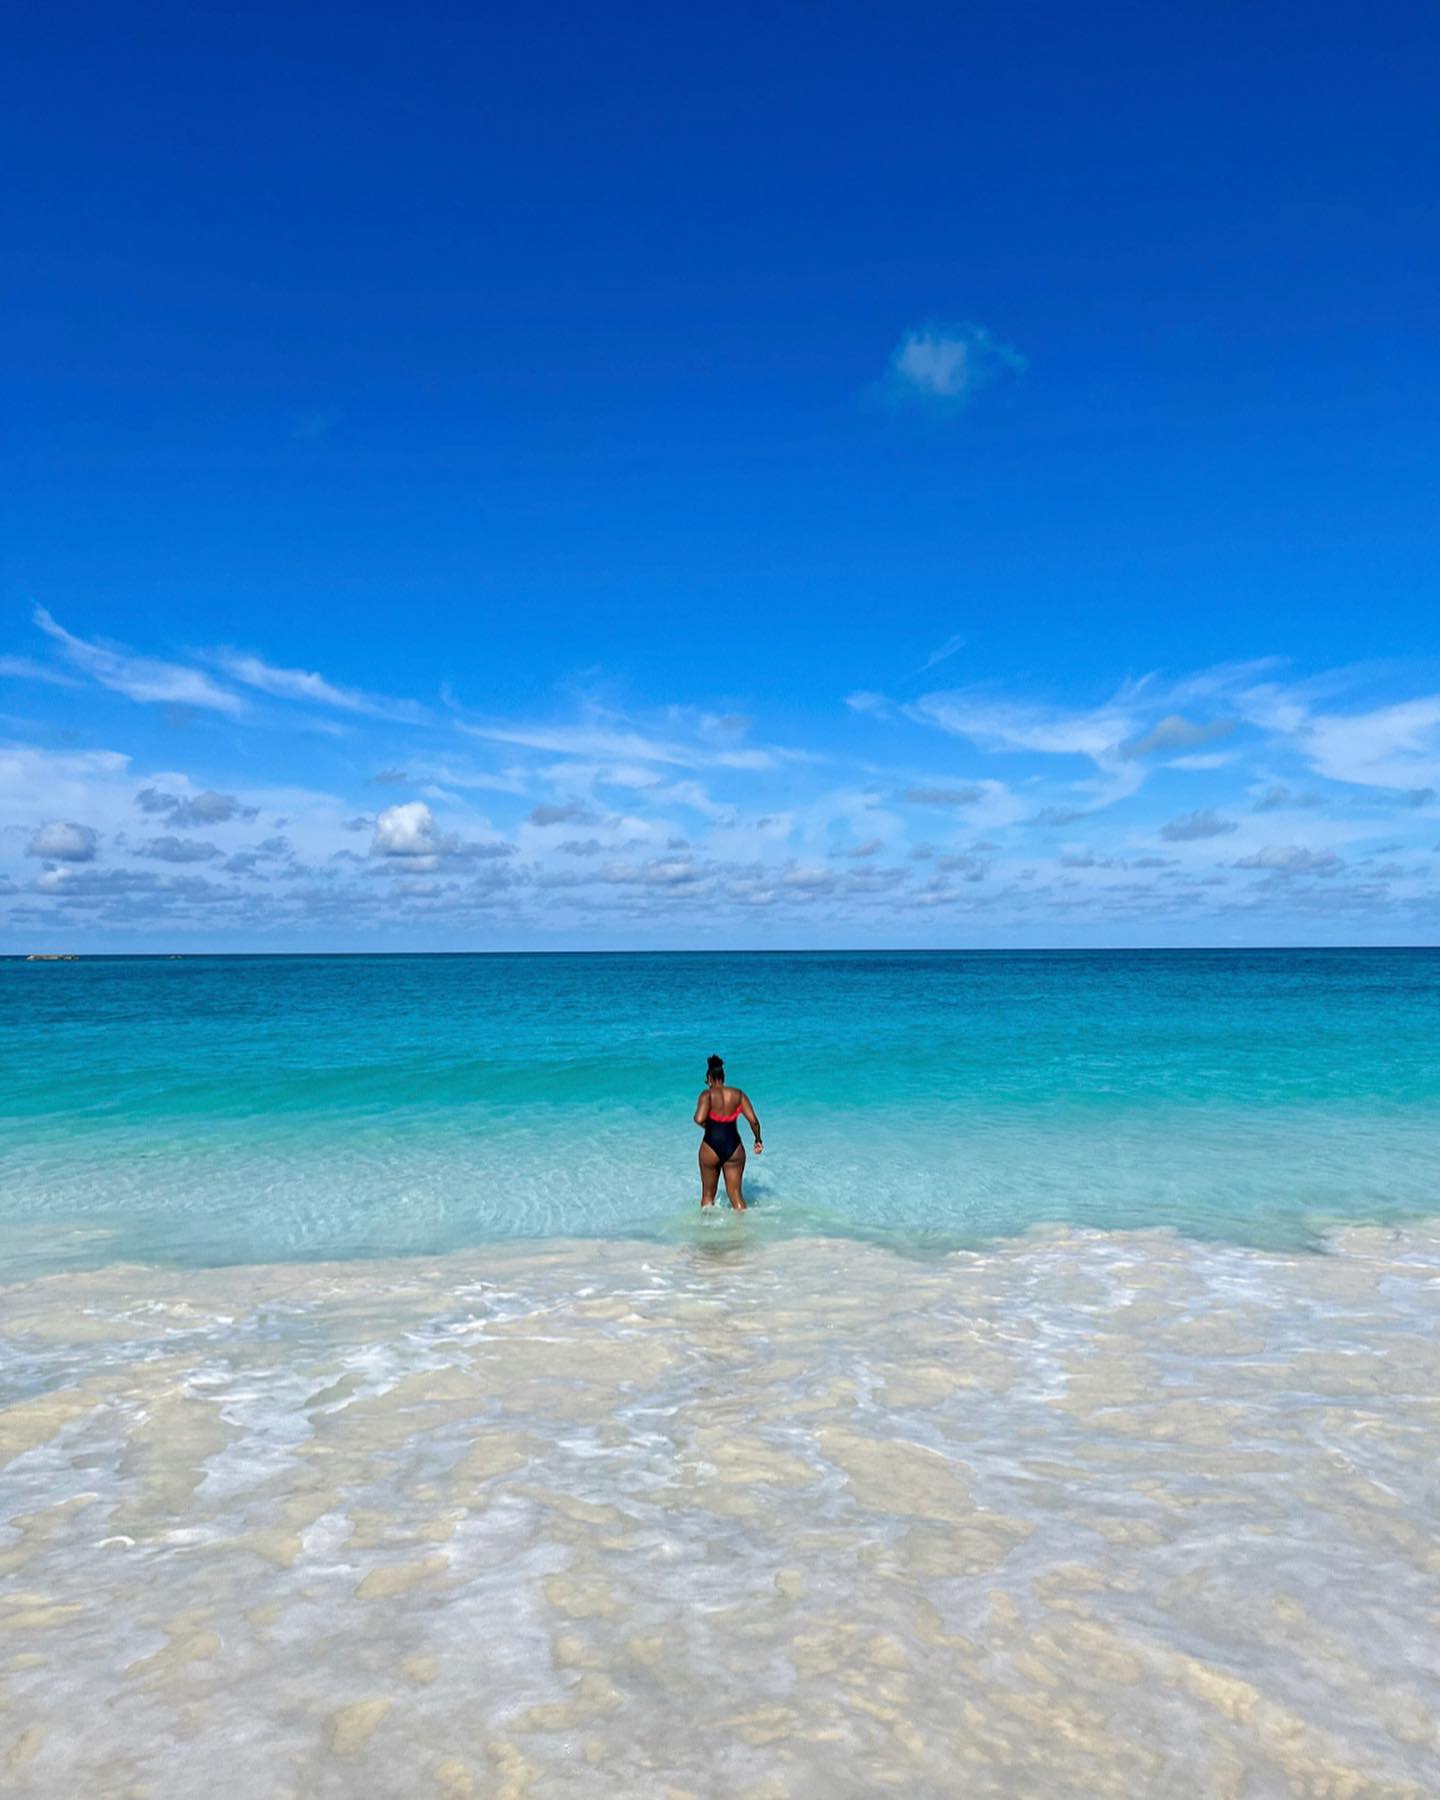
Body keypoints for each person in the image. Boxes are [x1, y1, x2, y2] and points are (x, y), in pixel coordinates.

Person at [693, 1053, 762, 1209]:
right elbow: (754, 1121)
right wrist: (758, 1140)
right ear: (723, 1077)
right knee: (736, 1196)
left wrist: (711, 1128)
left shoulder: (707, 1095)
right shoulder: (738, 1094)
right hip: (734, 1148)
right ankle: (744, 1224)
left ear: (709, 1078)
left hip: (710, 1148)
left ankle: (706, 1223)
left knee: (707, 1196)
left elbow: (698, 1118)